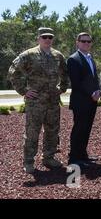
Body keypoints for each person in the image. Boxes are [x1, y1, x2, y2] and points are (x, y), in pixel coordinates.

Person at [8, 27, 69, 174]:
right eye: (44, 37)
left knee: (52, 131)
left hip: (53, 101)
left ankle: (49, 157)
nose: (47, 39)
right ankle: (29, 161)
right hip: (35, 102)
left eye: (50, 37)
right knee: (32, 132)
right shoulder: (29, 54)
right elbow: (13, 72)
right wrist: (24, 91)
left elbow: (65, 73)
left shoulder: (57, 55)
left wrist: (62, 88)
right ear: (38, 38)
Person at [67, 32, 101, 168]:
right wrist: (91, 93)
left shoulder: (89, 58)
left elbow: (94, 78)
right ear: (77, 42)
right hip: (81, 101)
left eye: (89, 41)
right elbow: (76, 82)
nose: (86, 43)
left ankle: (83, 155)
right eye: (83, 41)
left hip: (92, 101)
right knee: (78, 130)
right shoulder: (73, 59)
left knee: (86, 129)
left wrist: (98, 91)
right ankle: (74, 158)